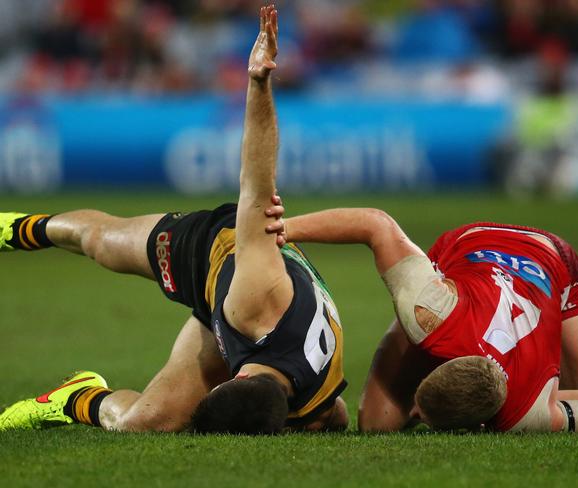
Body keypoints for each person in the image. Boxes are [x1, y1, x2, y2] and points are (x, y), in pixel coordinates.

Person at [0, 6, 348, 435]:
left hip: (236, 324)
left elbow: (336, 413)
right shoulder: (259, 293)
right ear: (233, 375)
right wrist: (258, 82)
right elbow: (256, 185)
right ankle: (16, 229)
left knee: (142, 423)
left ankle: (75, 397)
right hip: (215, 255)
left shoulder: (313, 409)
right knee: (103, 243)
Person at [264, 205, 578, 433]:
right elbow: (375, 224)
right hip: (471, 249)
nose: (414, 413)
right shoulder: (430, 310)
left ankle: (547, 346)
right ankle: (543, 355)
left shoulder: (529, 415)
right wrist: (282, 231)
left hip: (552, 264)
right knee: (376, 423)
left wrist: (553, 405)